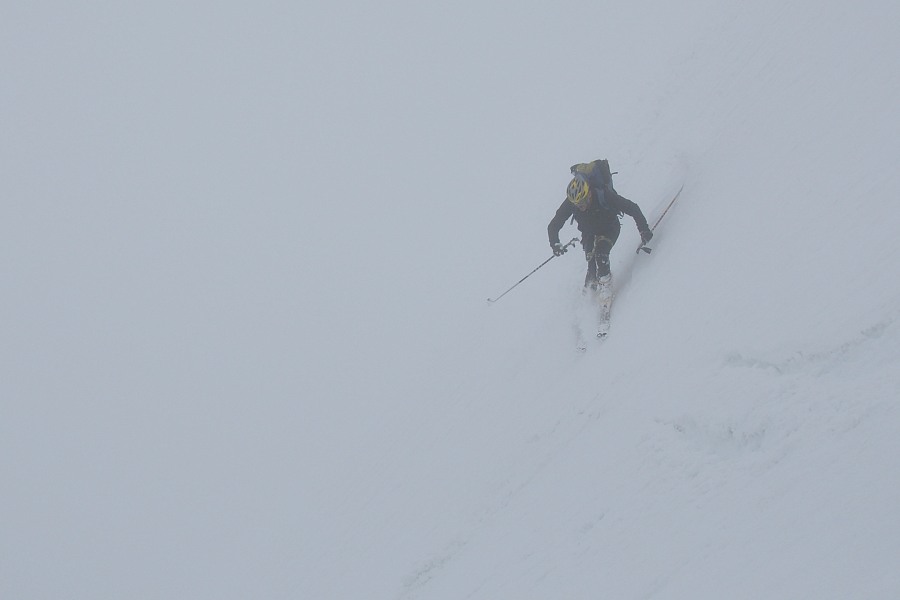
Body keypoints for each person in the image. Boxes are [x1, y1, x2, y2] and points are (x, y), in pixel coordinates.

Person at [547, 161, 653, 289]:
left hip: (609, 228)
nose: (580, 207)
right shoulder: (572, 202)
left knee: (601, 254)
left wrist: (644, 230)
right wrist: (555, 243)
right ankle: (591, 286)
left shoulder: (604, 195)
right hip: (588, 233)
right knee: (591, 265)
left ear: (589, 193)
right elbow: (554, 225)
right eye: (577, 204)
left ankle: (606, 288)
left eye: (583, 202)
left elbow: (633, 208)